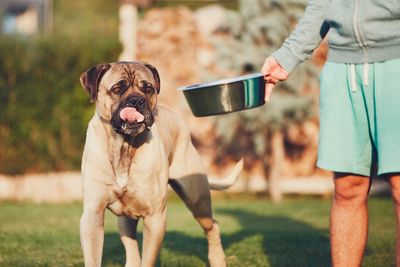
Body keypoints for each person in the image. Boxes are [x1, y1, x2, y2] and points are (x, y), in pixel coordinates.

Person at [261, 1, 400, 266]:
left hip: (396, 63)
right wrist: (287, 56)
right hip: (341, 69)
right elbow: (322, 5)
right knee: (347, 187)